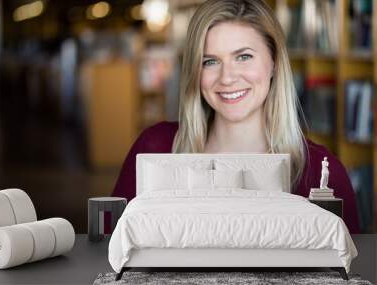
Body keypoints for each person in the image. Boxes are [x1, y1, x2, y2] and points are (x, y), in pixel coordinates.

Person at [112, 0, 360, 233]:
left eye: (243, 57)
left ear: (274, 62)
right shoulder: (155, 149)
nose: (227, 78)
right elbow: (109, 254)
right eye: (210, 61)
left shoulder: (320, 171)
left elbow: (349, 269)